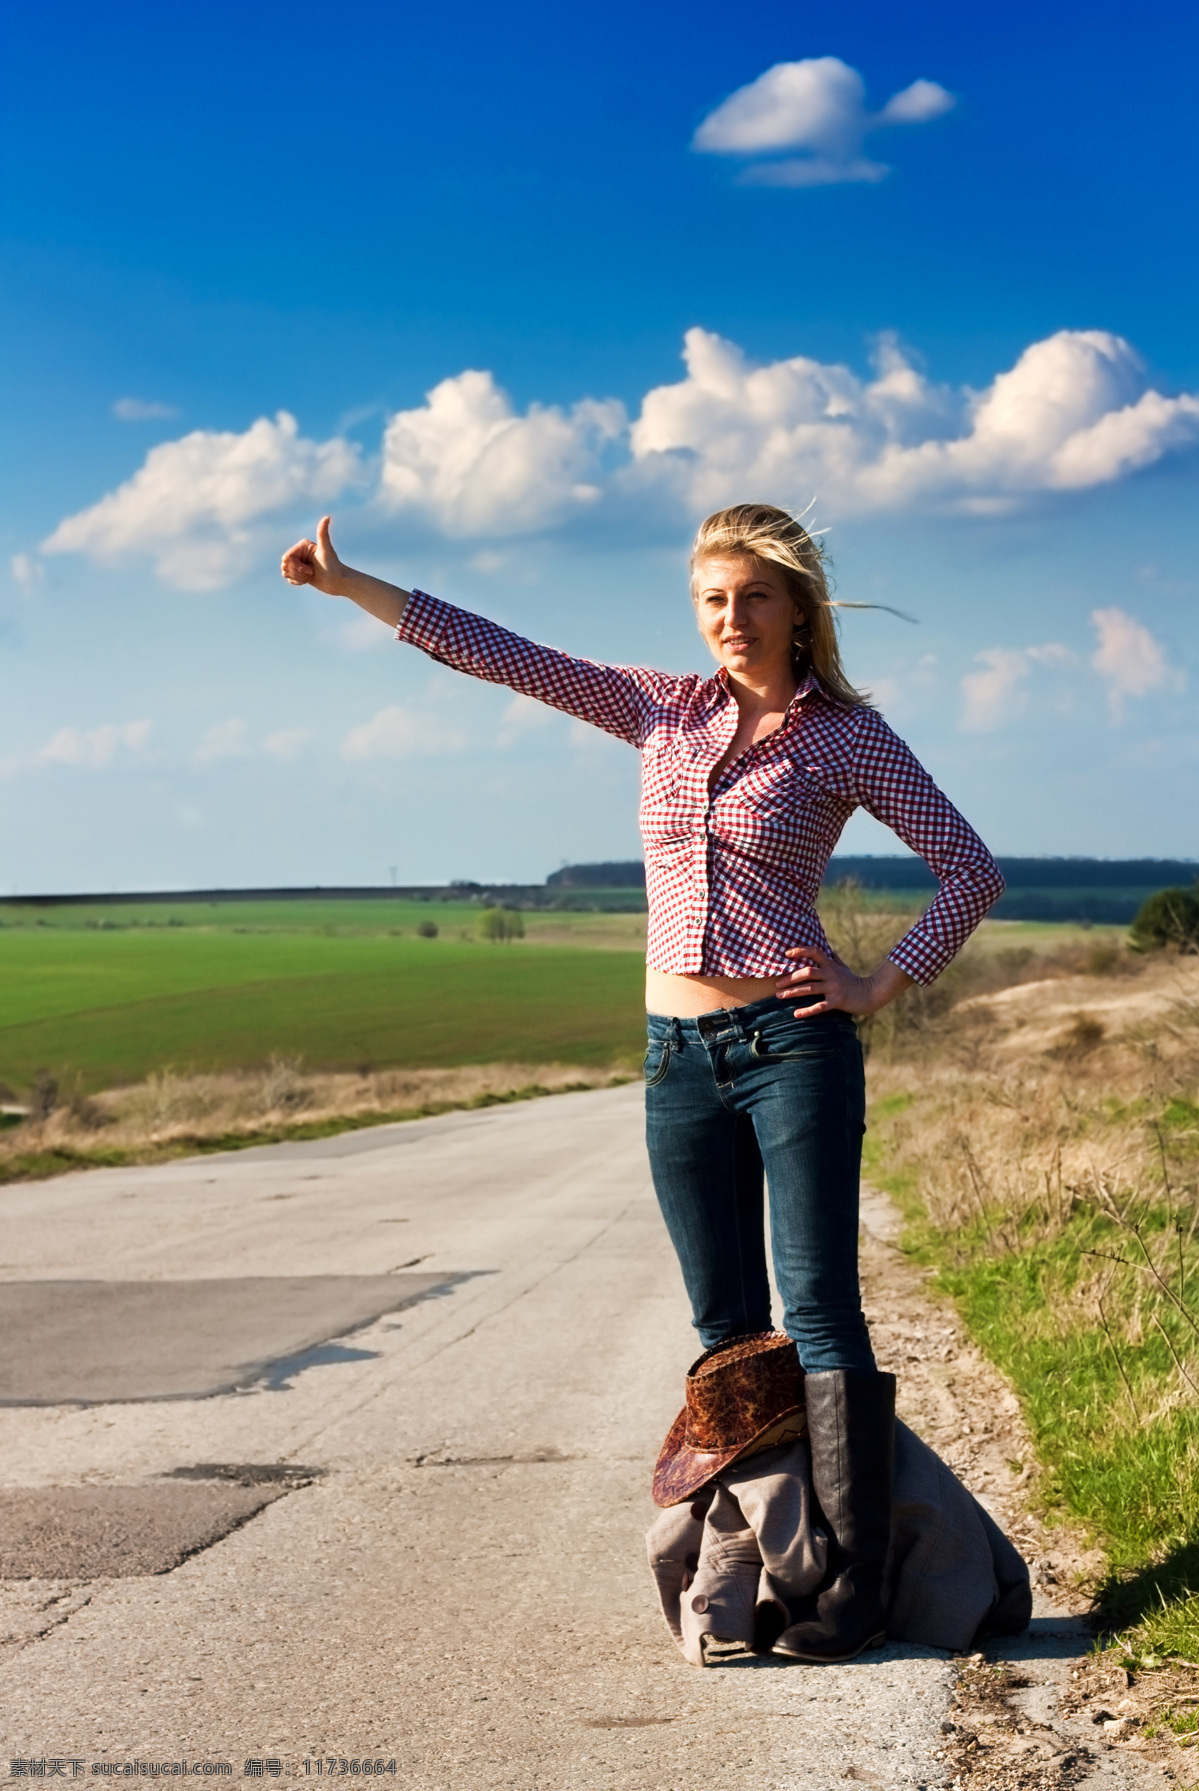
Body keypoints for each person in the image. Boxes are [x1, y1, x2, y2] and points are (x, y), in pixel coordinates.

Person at [281, 502, 1004, 1662]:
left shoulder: (848, 738)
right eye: (714, 599)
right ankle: (778, 1566)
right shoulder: (658, 708)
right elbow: (502, 655)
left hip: (792, 1048)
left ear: (799, 606)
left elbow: (970, 869)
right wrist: (348, 582)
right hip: (675, 1058)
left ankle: (860, 1587)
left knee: (818, 1314)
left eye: (755, 597)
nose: (733, 619)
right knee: (726, 1330)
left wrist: (878, 983)